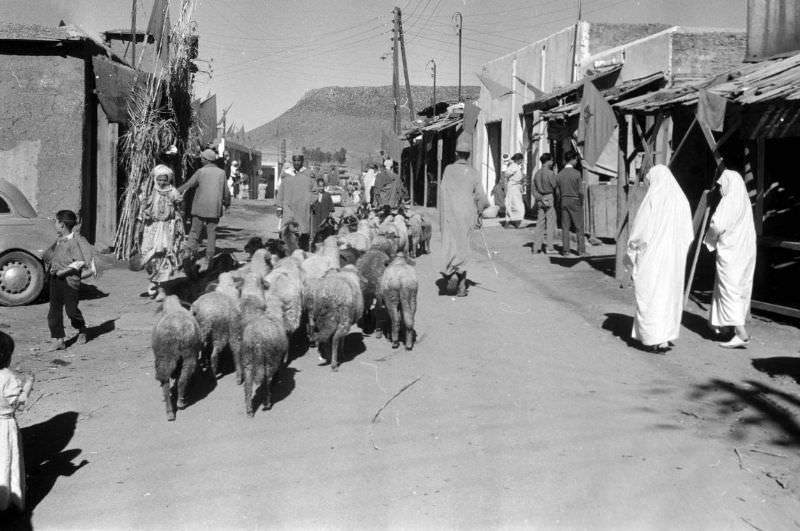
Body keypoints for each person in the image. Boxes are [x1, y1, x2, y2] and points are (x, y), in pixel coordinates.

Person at [625, 165, 693, 352]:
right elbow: (689, 234)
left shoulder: (653, 198)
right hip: (674, 260)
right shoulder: (682, 200)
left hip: (653, 258)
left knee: (651, 295)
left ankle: (653, 338)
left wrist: (631, 250)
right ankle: (665, 336)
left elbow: (639, 231)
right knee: (669, 297)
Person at [704, 169, 757, 348]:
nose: (720, 190)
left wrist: (709, 238)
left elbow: (718, 224)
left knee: (729, 289)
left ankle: (741, 333)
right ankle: (724, 327)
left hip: (733, 253)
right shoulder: (744, 200)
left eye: (721, 186)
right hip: (745, 252)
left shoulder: (730, 200)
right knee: (738, 288)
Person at [439, 137, 490, 297]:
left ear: (456, 153)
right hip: (467, 215)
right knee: (464, 246)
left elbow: (442, 190)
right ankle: (461, 285)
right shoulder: (474, 172)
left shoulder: (448, 169)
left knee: (451, 244)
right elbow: (480, 196)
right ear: (468, 155)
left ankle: (451, 273)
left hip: (449, 214)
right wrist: (480, 212)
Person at [42, 210, 95, 351]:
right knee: (54, 311)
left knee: (71, 311)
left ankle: (82, 329)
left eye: (55, 221)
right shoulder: (59, 240)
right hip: (55, 280)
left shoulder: (74, 241)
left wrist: (63, 271)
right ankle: (59, 339)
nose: (54, 223)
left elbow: (79, 262)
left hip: (70, 281)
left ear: (61, 225)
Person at [178, 149, 231, 269]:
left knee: (195, 231)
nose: (201, 160)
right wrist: (227, 203)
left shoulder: (200, 172)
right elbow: (226, 192)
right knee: (211, 233)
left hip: (200, 206)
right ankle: (209, 258)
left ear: (206, 160)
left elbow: (188, 184)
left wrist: (174, 192)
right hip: (214, 208)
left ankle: (188, 254)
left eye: (202, 158)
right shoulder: (221, 173)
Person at [139, 165, 184, 301]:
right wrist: (141, 224)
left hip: (168, 229)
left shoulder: (174, 193)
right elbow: (142, 211)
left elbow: (180, 209)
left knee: (165, 258)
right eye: (159, 180)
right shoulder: (149, 193)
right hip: (151, 229)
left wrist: (178, 220)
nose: (162, 182)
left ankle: (162, 288)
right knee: (148, 257)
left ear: (169, 179)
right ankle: (153, 281)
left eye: (165, 180)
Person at [0, 332, 34, 516]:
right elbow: (18, 404)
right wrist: (28, 384)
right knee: (6, 461)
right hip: (4, 427)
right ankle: (6, 502)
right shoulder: (8, 378)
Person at [276, 154, 315, 251]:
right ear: (292, 161)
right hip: (288, 207)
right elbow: (281, 191)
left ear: (302, 161)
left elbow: (315, 191)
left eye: (299, 160)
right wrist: (279, 207)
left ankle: (302, 253)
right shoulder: (287, 174)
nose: (297, 162)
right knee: (286, 231)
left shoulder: (309, 174)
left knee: (303, 232)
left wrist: (310, 201)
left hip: (303, 208)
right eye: (295, 160)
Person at [556, 150, 586, 257]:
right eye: (576, 159)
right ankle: (581, 250)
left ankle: (566, 251)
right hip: (575, 200)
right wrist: (581, 202)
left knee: (565, 226)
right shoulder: (577, 174)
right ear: (573, 159)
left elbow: (558, 192)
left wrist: (560, 202)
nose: (577, 161)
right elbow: (580, 191)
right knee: (579, 226)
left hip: (564, 200)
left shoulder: (559, 174)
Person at [531, 153, 559, 254]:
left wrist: (540, 198)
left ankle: (536, 247)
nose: (552, 162)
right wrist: (556, 174)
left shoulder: (537, 173)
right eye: (551, 160)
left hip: (540, 198)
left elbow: (533, 190)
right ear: (548, 161)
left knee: (540, 223)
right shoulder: (550, 173)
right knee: (550, 223)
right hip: (549, 197)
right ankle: (550, 247)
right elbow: (555, 185)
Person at [503, 153, 525, 228]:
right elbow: (506, 175)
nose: (522, 161)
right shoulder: (513, 166)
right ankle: (516, 223)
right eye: (521, 160)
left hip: (516, 187)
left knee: (514, 205)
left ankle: (514, 222)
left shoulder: (516, 167)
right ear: (519, 159)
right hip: (513, 188)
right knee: (516, 205)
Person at [311, 177, 335, 241]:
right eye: (319, 186)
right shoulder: (313, 195)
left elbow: (331, 209)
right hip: (315, 221)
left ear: (324, 186)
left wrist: (328, 219)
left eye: (322, 186)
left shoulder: (327, 195)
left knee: (325, 238)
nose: (321, 188)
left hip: (324, 221)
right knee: (315, 239)